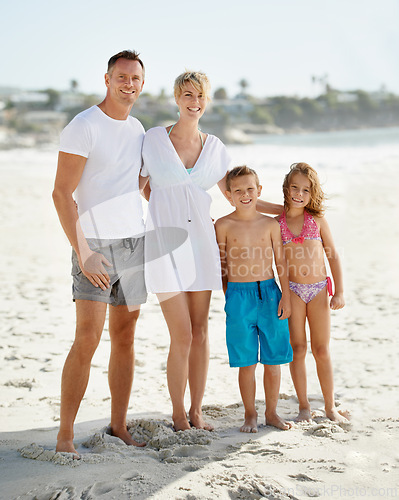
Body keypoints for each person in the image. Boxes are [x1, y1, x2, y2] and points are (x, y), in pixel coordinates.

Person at [140, 71, 282, 432]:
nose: (194, 102)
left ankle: (196, 411)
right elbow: (139, 186)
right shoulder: (153, 140)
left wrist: (286, 212)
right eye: (187, 95)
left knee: (200, 330)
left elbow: (238, 196)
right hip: (164, 248)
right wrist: (163, 213)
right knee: (182, 334)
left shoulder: (216, 148)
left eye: (200, 96)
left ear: (207, 101)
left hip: (202, 246)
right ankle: (176, 412)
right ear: (176, 97)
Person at [52, 50, 147, 456]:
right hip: (95, 245)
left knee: (125, 338)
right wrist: (83, 251)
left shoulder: (139, 127)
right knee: (87, 339)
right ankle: (65, 435)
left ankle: (119, 426)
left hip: (135, 244)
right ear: (107, 79)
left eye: (136, 79)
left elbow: (133, 184)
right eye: (122, 77)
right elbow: (61, 194)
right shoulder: (84, 126)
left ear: (142, 84)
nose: (129, 84)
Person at [215, 166, 293, 433]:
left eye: (250, 189)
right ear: (228, 195)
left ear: (259, 191)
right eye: (238, 191)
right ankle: (250, 414)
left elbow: (280, 261)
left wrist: (287, 297)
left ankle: (271, 413)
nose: (245, 195)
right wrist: (230, 297)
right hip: (239, 296)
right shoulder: (223, 225)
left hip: (271, 293)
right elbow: (222, 264)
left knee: (274, 360)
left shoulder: (270, 224)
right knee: (245, 361)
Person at [277, 162, 348, 423]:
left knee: (321, 349)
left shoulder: (316, 220)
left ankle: (330, 407)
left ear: (312, 193)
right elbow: (279, 263)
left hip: (318, 290)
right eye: (294, 187)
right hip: (293, 291)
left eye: (305, 190)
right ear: (286, 189)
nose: (299, 193)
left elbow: (333, 256)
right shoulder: (278, 222)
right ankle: (304, 406)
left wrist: (339, 292)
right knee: (298, 348)